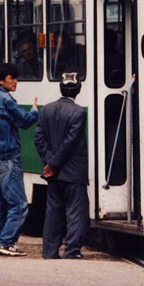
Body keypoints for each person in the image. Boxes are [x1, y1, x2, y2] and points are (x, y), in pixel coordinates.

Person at [0, 62, 38, 257]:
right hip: (8, 157)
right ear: (1, 80)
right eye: (12, 78)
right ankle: (7, 242)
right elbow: (25, 120)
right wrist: (35, 109)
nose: (15, 81)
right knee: (18, 204)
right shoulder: (6, 100)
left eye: (16, 78)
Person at [34, 72, 88, 259]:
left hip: (53, 174)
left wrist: (49, 163)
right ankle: (72, 250)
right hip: (73, 173)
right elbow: (70, 143)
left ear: (60, 88)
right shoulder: (79, 112)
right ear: (79, 90)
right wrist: (55, 164)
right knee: (75, 212)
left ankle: (49, 251)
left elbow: (39, 139)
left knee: (53, 213)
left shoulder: (46, 110)